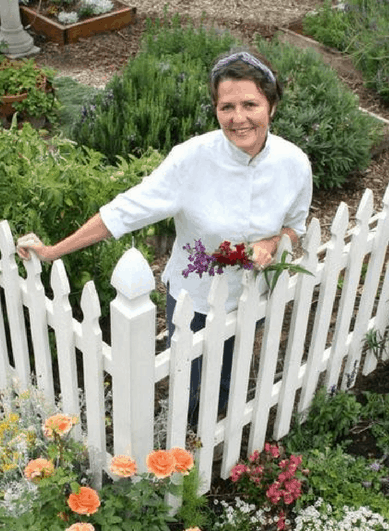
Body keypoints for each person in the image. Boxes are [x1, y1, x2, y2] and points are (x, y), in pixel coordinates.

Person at [17, 48, 313, 422]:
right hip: (196, 299)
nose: (238, 118)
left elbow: (295, 226)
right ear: (216, 109)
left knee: (227, 374)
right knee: (187, 380)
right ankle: (183, 436)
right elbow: (125, 209)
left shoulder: (294, 163)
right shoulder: (191, 160)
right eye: (226, 107)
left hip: (253, 296)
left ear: (271, 105)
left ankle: (216, 427)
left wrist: (272, 242)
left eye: (250, 104)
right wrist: (54, 251)